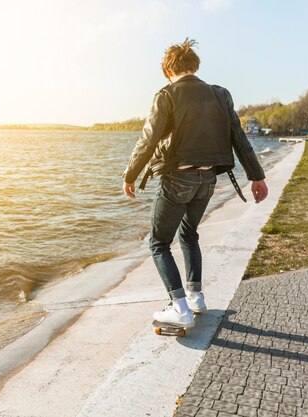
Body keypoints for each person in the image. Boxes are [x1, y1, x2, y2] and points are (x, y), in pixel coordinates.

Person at [121, 39, 268, 329]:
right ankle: (196, 296)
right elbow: (238, 137)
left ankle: (180, 308)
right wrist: (257, 176)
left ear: (168, 70)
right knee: (189, 234)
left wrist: (130, 175)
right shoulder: (220, 94)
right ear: (195, 66)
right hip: (208, 180)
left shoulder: (167, 95)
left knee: (159, 243)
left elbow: (148, 140)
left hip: (178, 179)